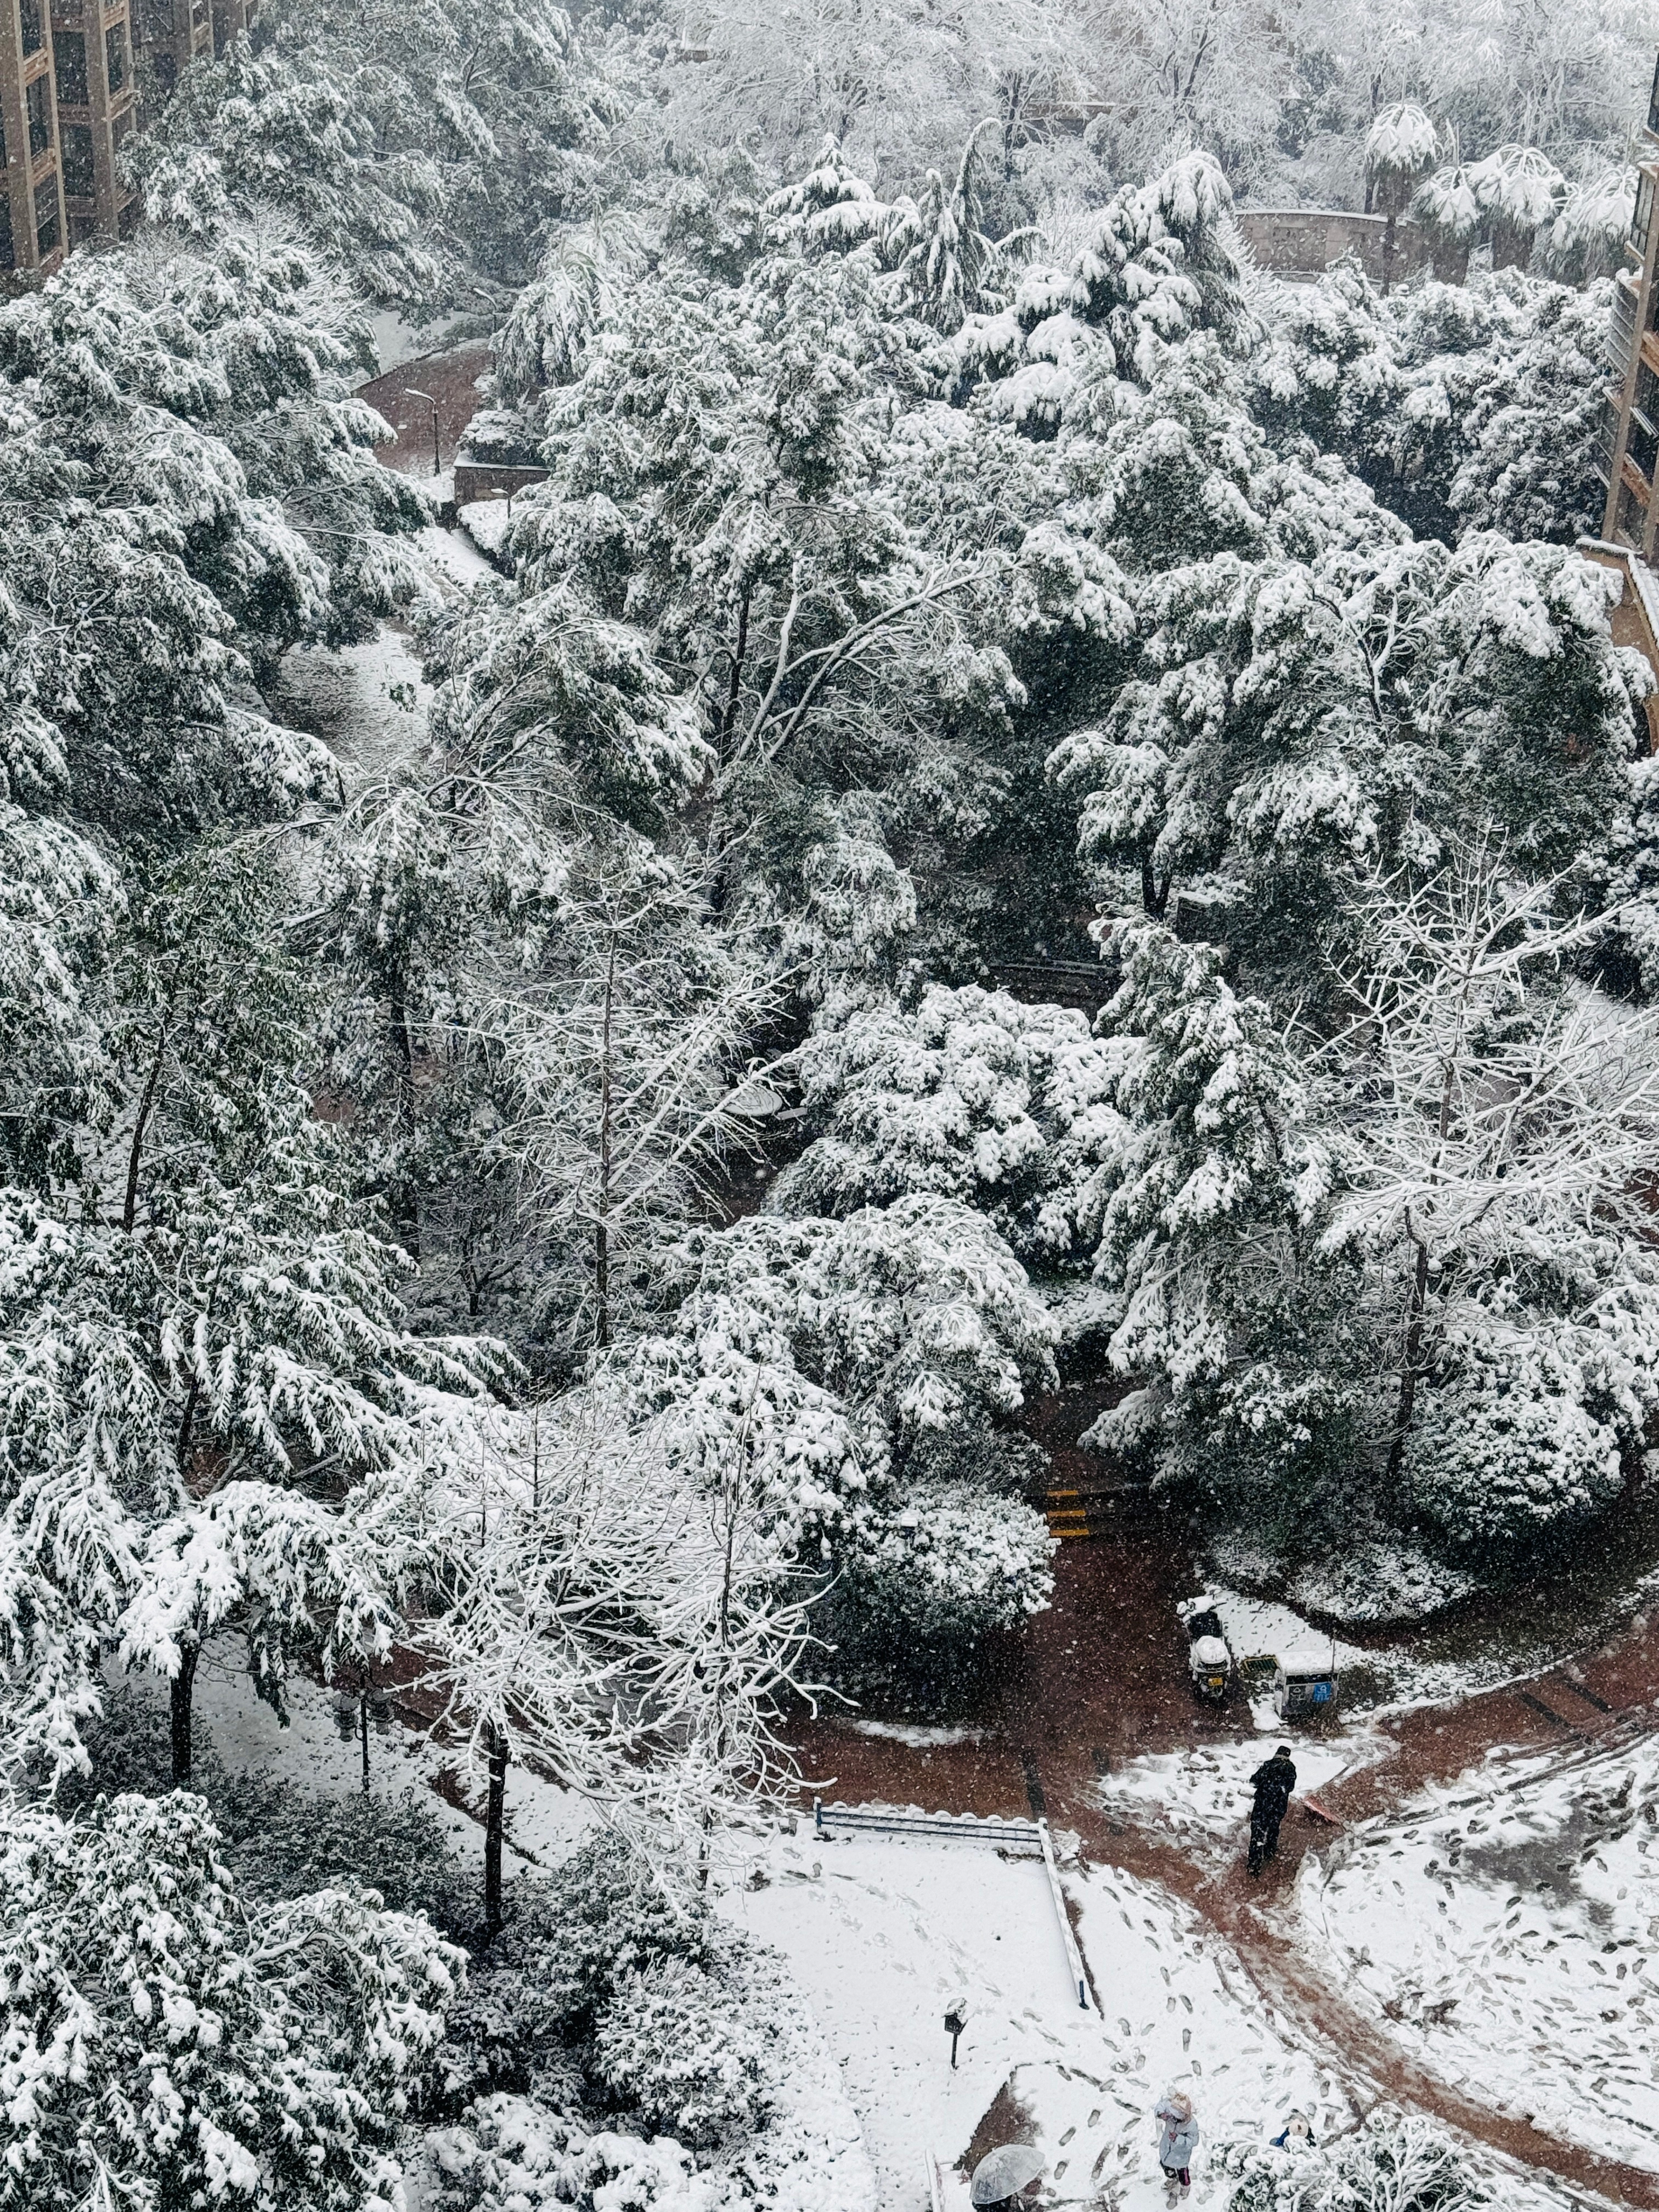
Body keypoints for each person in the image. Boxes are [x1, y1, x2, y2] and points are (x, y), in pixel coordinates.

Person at [1248, 1744, 1297, 1875]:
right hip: (1278, 1806)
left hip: (1262, 1804)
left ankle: (1254, 1865)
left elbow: (1254, 1781)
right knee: (1274, 1827)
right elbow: (1290, 1787)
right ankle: (1270, 1851)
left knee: (1257, 1833)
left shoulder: (1268, 1765)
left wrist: (1266, 1784)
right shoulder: (1291, 1768)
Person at [1155, 2089, 1198, 2196]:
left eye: (1175, 2114)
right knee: (1165, 2165)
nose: (1171, 2116)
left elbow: (1194, 2141)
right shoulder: (1171, 2111)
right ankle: (1172, 2178)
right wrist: (1161, 2114)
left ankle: (1185, 2187)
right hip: (1166, 2149)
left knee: (1183, 2175)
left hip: (1180, 2156)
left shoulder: (1190, 2124)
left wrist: (1178, 2139)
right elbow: (1162, 2104)